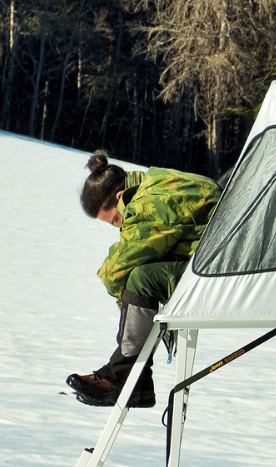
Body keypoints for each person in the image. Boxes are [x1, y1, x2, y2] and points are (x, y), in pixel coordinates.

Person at [67, 150, 220, 408]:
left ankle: (125, 378)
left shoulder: (147, 205)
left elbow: (119, 268)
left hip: (219, 272)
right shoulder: (156, 181)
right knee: (141, 274)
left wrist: (122, 297)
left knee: (140, 278)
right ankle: (133, 378)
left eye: (115, 220)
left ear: (118, 196)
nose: (119, 226)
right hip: (215, 260)